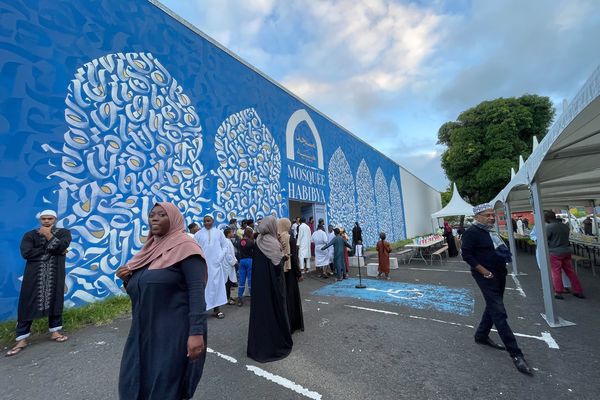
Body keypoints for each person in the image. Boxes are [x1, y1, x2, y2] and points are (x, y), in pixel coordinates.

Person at [116, 202, 207, 399]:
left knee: (163, 388)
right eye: (152, 215)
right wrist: (128, 280)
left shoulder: (186, 248)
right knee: (132, 382)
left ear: (173, 219)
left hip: (172, 334)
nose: (154, 218)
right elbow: (143, 292)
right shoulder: (147, 252)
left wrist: (196, 333)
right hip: (142, 332)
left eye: (161, 215)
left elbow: (197, 292)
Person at [461, 203, 533, 375]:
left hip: (499, 273)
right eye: (487, 215)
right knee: (499, 311)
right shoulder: (471, 233)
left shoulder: (490, 231)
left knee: (493, 306)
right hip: (485, 276)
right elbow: (466, 255)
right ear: (477, 216)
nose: (491, 218)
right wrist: (483, 270)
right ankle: (516, 354)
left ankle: (481, 335)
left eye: (493, 215)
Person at [6, 210, 72, 357]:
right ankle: (22, 339)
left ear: (55, 219)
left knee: (55, 300)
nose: (47, 221)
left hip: (56, 274)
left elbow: (62, 246)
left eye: (50, 218)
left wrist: (49, 236)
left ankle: (55, 332)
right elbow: (27, 254)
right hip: (34, 275)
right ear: (40, 219)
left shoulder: (64, 232)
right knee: (27, 303)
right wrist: (56, 250)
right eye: (44, 219)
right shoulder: (30, 235)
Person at [247, 216, 293, 363]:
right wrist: (283, 258)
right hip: (271, 286)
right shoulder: (273, 243)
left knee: (261, 315)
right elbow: (276, 267)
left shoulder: (259, 240)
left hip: (260, 287)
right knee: (274, 313)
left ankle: (258, 346)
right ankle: (275, 345)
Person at [544, 210, 584, 299]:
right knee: (570, 271)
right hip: (567, 250)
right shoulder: (565, 226)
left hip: (555, 252)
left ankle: (558, 291)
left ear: (547, 218)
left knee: (556, 272)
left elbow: (545, 240)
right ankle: (578, 290)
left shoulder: (549, 227)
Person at [194, 214, 228, 319]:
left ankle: (217, 310)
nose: (206, 223)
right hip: (203, 265)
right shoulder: (198, 234)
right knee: (204, 287)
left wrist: (219, 258)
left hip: (216, 265)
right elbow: (194, 248)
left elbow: (225, 246)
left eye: (208, 221)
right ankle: (202, 311)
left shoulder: (219, 233)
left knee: (216, 286)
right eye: (204, 221)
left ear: (213, 221)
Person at [278, 218, 304, 334]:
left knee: (283, 297)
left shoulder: (276, 238)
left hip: (280, 271)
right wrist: (299, 273)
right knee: (291, 298)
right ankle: (292, 324)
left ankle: (284, 324)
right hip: (290, 271)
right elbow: (294, 258)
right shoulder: (290, 238)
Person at [236, 227, 255, 306]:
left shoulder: (239, 242)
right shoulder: (251, 242)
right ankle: (252, 299)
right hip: (250, 261)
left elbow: (238, 251)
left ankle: (240, 299)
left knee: (241, 280)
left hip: (242, 261)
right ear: (250, 234)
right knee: (250, 280)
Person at [222, 227, 238, 305]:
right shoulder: (227, 242)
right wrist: (234, 262)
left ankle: (227, 297)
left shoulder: (227, 241)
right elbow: (229, 255)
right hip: (227, 265)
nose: (233, 233)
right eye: (232, 232)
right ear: (228, 234)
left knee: (228, 282)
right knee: (227, 283)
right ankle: (227, 299)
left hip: (227, 264)